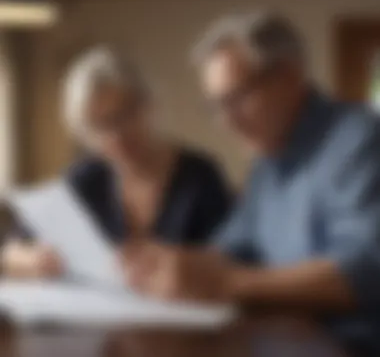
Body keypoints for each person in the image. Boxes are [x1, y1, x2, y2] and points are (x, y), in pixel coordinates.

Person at [122, 13, 380, 356]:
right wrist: (172, 263)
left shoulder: (357, 139)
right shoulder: (266, 161)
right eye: (216, 106)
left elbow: (365, 271)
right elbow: (234, 247)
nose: (227, 122)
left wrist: (225, 283)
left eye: (237, 98)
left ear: (289, 75)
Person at [0, 47, 231, 278]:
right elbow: (12, 249)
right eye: (99, 126)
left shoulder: (200, 176)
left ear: (148, 105)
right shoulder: (85, 179)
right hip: (97, 311)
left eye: (124, 116)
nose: (116, 135)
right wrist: (34, 259)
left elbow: (234, 258)